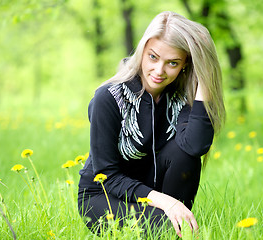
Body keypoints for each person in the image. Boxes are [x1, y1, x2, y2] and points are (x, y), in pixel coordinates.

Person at [78, 11, 225, 237]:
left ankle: (175, 218)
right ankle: (172, 219)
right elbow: (108, 176)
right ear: (142, 51)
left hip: (154, 193)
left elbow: (196, 146)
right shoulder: (108, 98)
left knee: (184, 155)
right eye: (153, 57)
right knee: (169, 228)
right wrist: (166, 202)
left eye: (172, 63)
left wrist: (204, 73)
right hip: (104, 196)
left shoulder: (180, 97)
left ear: (185, 64)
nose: (159, 71)